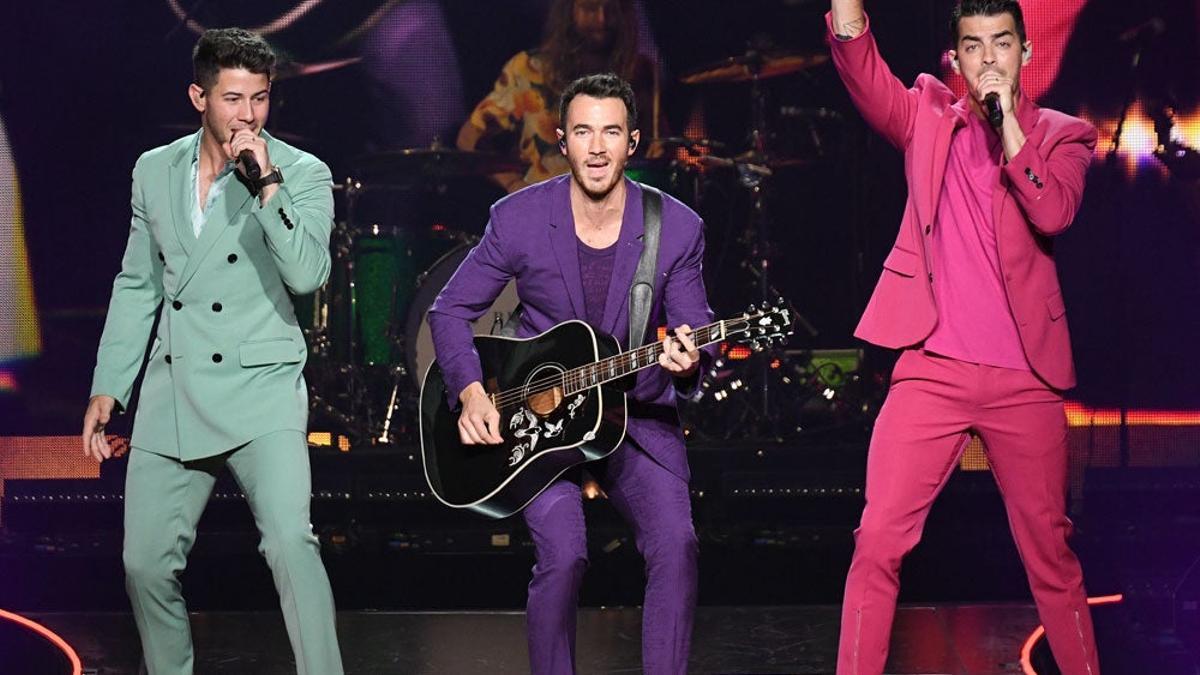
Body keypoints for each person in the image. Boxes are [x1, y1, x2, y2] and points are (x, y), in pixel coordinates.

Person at [824, 1, 1101, 673]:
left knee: (1051, 555)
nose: (988, 60)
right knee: (878, 539)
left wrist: (1009, 130)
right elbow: (861, 63)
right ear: (955, 58)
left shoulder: (1067, 136)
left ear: (1024, 54)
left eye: (1001, 44)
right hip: (932, 371)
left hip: (1024, 379)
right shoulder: (924, 116)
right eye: (973, 46)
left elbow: (1053, 209)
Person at [429, 73, 712, 675]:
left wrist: (688, 362)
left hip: (636, 419)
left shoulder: (677, 227)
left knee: (677, 546)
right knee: (563, 557)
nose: (598, 146)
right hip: (543, 428)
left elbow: (694, 335)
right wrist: (471, 390)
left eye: (611, 131)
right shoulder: (519, 218)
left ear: (632, 141)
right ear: (562, 140)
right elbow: (448, 309)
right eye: (583, 131)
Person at [81, 28, 343, 675]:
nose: (247, 115)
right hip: (178, 387)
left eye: (259, 98)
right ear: (199, 96)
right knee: (143, 563)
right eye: (232, 98)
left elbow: (309, 273)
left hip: (263, 388)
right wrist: (108, 384)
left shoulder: (303, 173)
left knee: (291, 542)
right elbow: (138, 282)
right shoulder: (154, 169)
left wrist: (268, 187)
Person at [456, 0, 659, 193]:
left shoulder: (639, 73)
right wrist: (512, 183)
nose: (601, 20)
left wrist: (659, 156)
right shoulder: (528, 70)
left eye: (612, 10)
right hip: (545, 214)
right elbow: (469, 138)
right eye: (590, 9)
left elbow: (656, 146)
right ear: (568, 12)